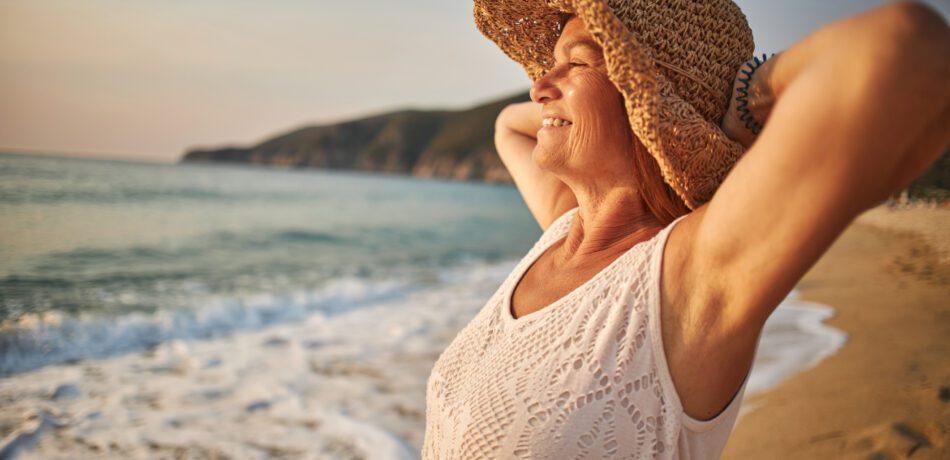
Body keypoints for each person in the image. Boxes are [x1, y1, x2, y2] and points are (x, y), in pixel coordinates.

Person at [422, 0, 950, 458]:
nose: (539, 86)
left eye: (579, 62)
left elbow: (910, 49)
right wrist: (572, 94)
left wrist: (740, 97)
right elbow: (507, 127)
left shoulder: (686, 277)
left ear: (647, 97)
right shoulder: (564, 229)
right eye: (550, 66)